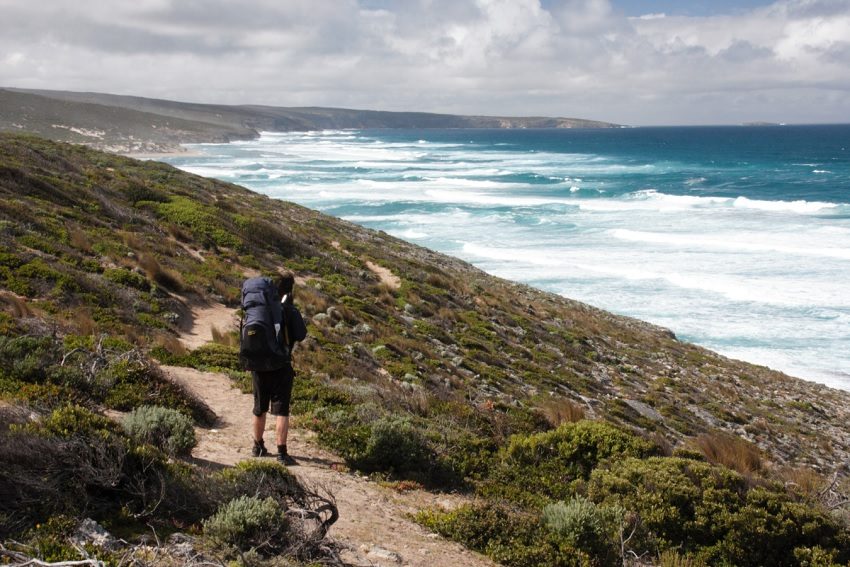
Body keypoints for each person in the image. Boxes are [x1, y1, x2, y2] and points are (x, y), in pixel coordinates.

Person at [251, 270, 307, 465]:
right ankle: (282, 453)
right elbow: (300, 335)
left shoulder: (261, 308)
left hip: (258, 364)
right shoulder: (289, 310)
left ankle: (257, 446)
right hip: (281, 365)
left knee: (259, 407)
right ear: (290, 289)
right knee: (281, 409)